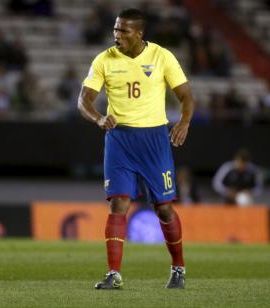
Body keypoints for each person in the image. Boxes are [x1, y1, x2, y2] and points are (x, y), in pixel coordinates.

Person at [78, 9, 195, 290]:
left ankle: (178, 268)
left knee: (164, 208)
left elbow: (186, 96)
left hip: (154, 139)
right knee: (119, 204)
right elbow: (83, 99)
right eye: (115, 30)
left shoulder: (162, 56)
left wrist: (184, 122)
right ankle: (113, 274)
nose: (116, 35)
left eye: (123, 31)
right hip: (119, 138)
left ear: (139, 34)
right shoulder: (105, 59)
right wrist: (98, 118)